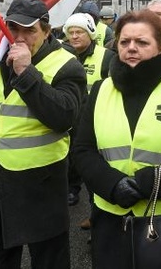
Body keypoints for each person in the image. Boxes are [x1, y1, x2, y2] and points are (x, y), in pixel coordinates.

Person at [71, 9, 161, 269]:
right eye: (124, 42)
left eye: (142, 42)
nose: (131, 48)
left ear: (160, 47)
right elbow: (82, 150)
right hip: (112, 220)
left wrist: (148, 183)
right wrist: (114, 186)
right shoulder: (101, 89)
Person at [0, 0, 87, 269]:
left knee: (49, 262)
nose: (20, 37)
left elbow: (64, 116)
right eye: (14, 28)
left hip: (41, 185)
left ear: (46, 31)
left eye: (30, 30)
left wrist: (26, 72)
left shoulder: (66, 64)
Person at [61, 12, 114, 209]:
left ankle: (96, 213)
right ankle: (72, 189)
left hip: (95, 122)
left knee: (94, 170)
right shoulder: (61, 56)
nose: (74, 36)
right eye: (71, 32)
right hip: (69, 122)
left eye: (79, 32)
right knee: (70, 161)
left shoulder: (106, 57)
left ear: (90, 33)